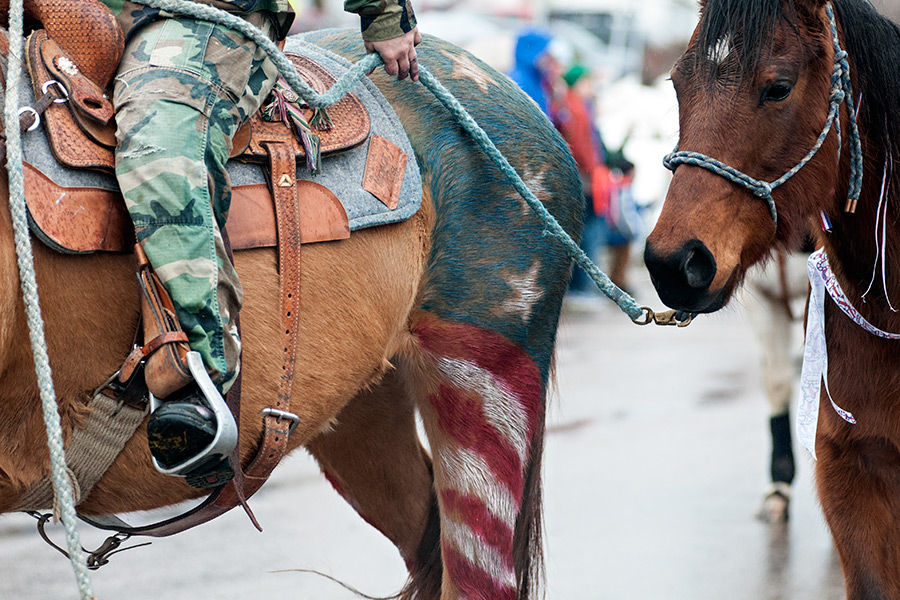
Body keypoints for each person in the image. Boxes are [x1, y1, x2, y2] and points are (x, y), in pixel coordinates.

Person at [99, 0, 421, 476]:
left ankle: (199, 379)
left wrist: (385, 13)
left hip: (197, 15)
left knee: (159, 139)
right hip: (88, 11)